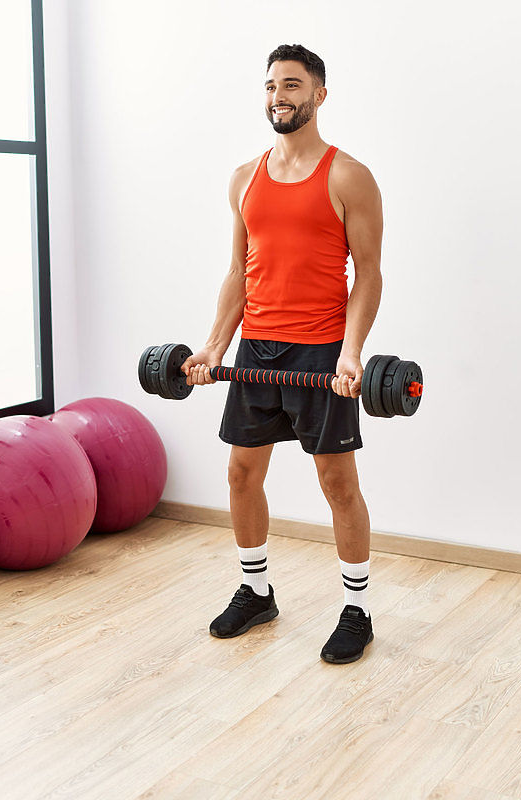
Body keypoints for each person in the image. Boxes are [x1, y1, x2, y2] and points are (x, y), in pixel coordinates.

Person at [181, 43, 384, 664]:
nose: (279, 96)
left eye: (292, 85)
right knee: (242, 474)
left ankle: (357, 609)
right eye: (272, 86)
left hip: (321, 351)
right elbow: (239, 272)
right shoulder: (245, 177)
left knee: (337, 481)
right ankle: (256, 591)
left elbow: (369, 274)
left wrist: (351, 353)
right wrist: (214, 346)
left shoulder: (348, 176)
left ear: (319, 94)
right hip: (257, 351)